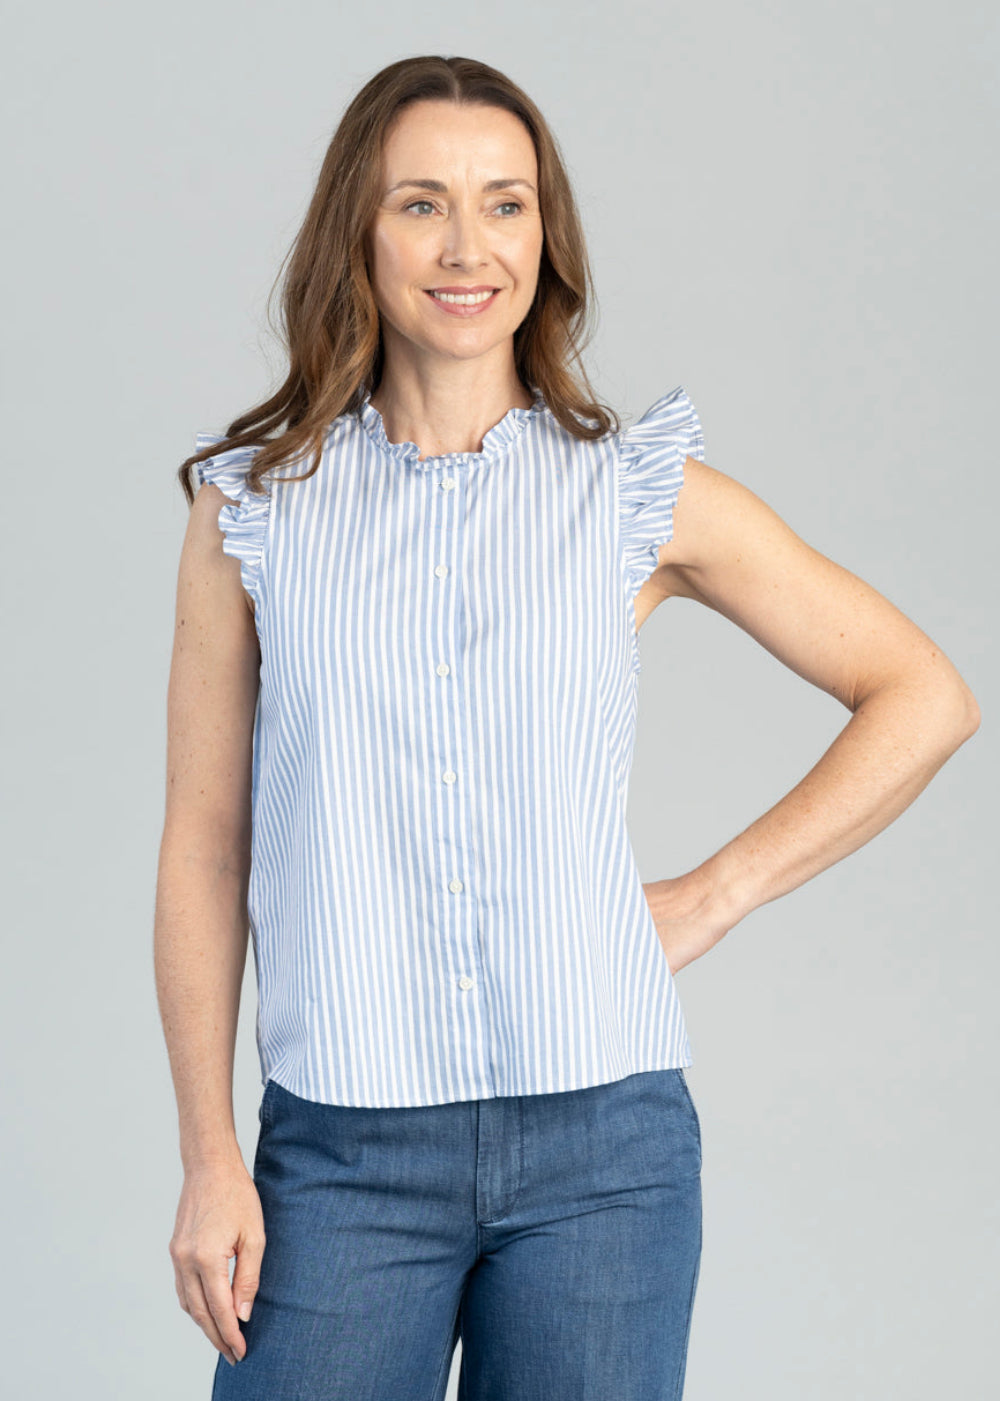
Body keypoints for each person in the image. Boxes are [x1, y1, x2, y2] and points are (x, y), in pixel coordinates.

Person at [154, 54, 980, 1401]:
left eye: (506, 204)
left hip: (607, 1159)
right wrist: (208, 1155)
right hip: (344, 1160)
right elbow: (205, 845)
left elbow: (924, 694)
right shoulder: (253, 510)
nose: (467, 247)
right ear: (358, 230)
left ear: (547, 237)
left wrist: (712, 896)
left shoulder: (630, 494)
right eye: (421, 203)